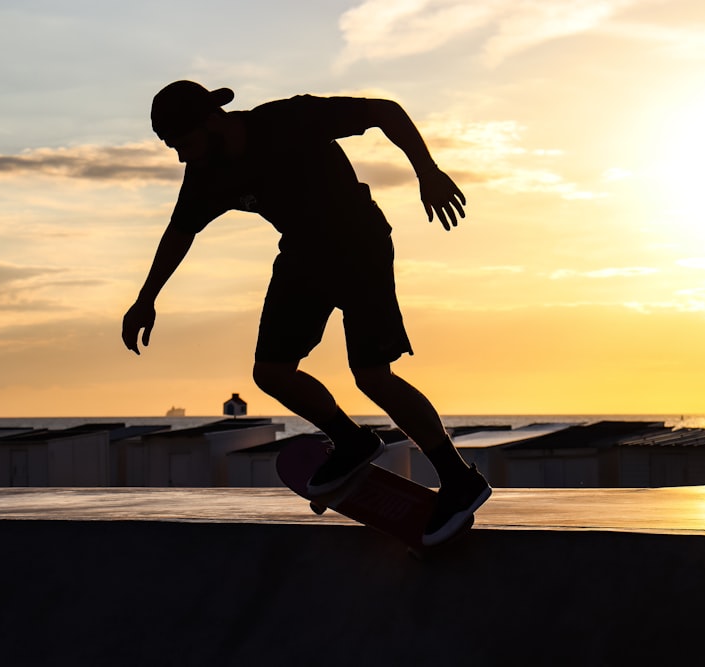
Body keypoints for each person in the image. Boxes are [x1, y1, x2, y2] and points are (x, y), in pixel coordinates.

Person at [122, 80, 491, 545]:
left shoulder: (289, 119)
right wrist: (146, 298)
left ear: (213, 121)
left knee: (372, 374)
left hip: (360, 245)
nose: (181, 157)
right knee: (271, 372)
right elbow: (179, 233)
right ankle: (352, 441)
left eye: (185, 144)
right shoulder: (206, 173)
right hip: (303, 258)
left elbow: (385, 111)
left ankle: (458, 479)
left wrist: (428, 172)